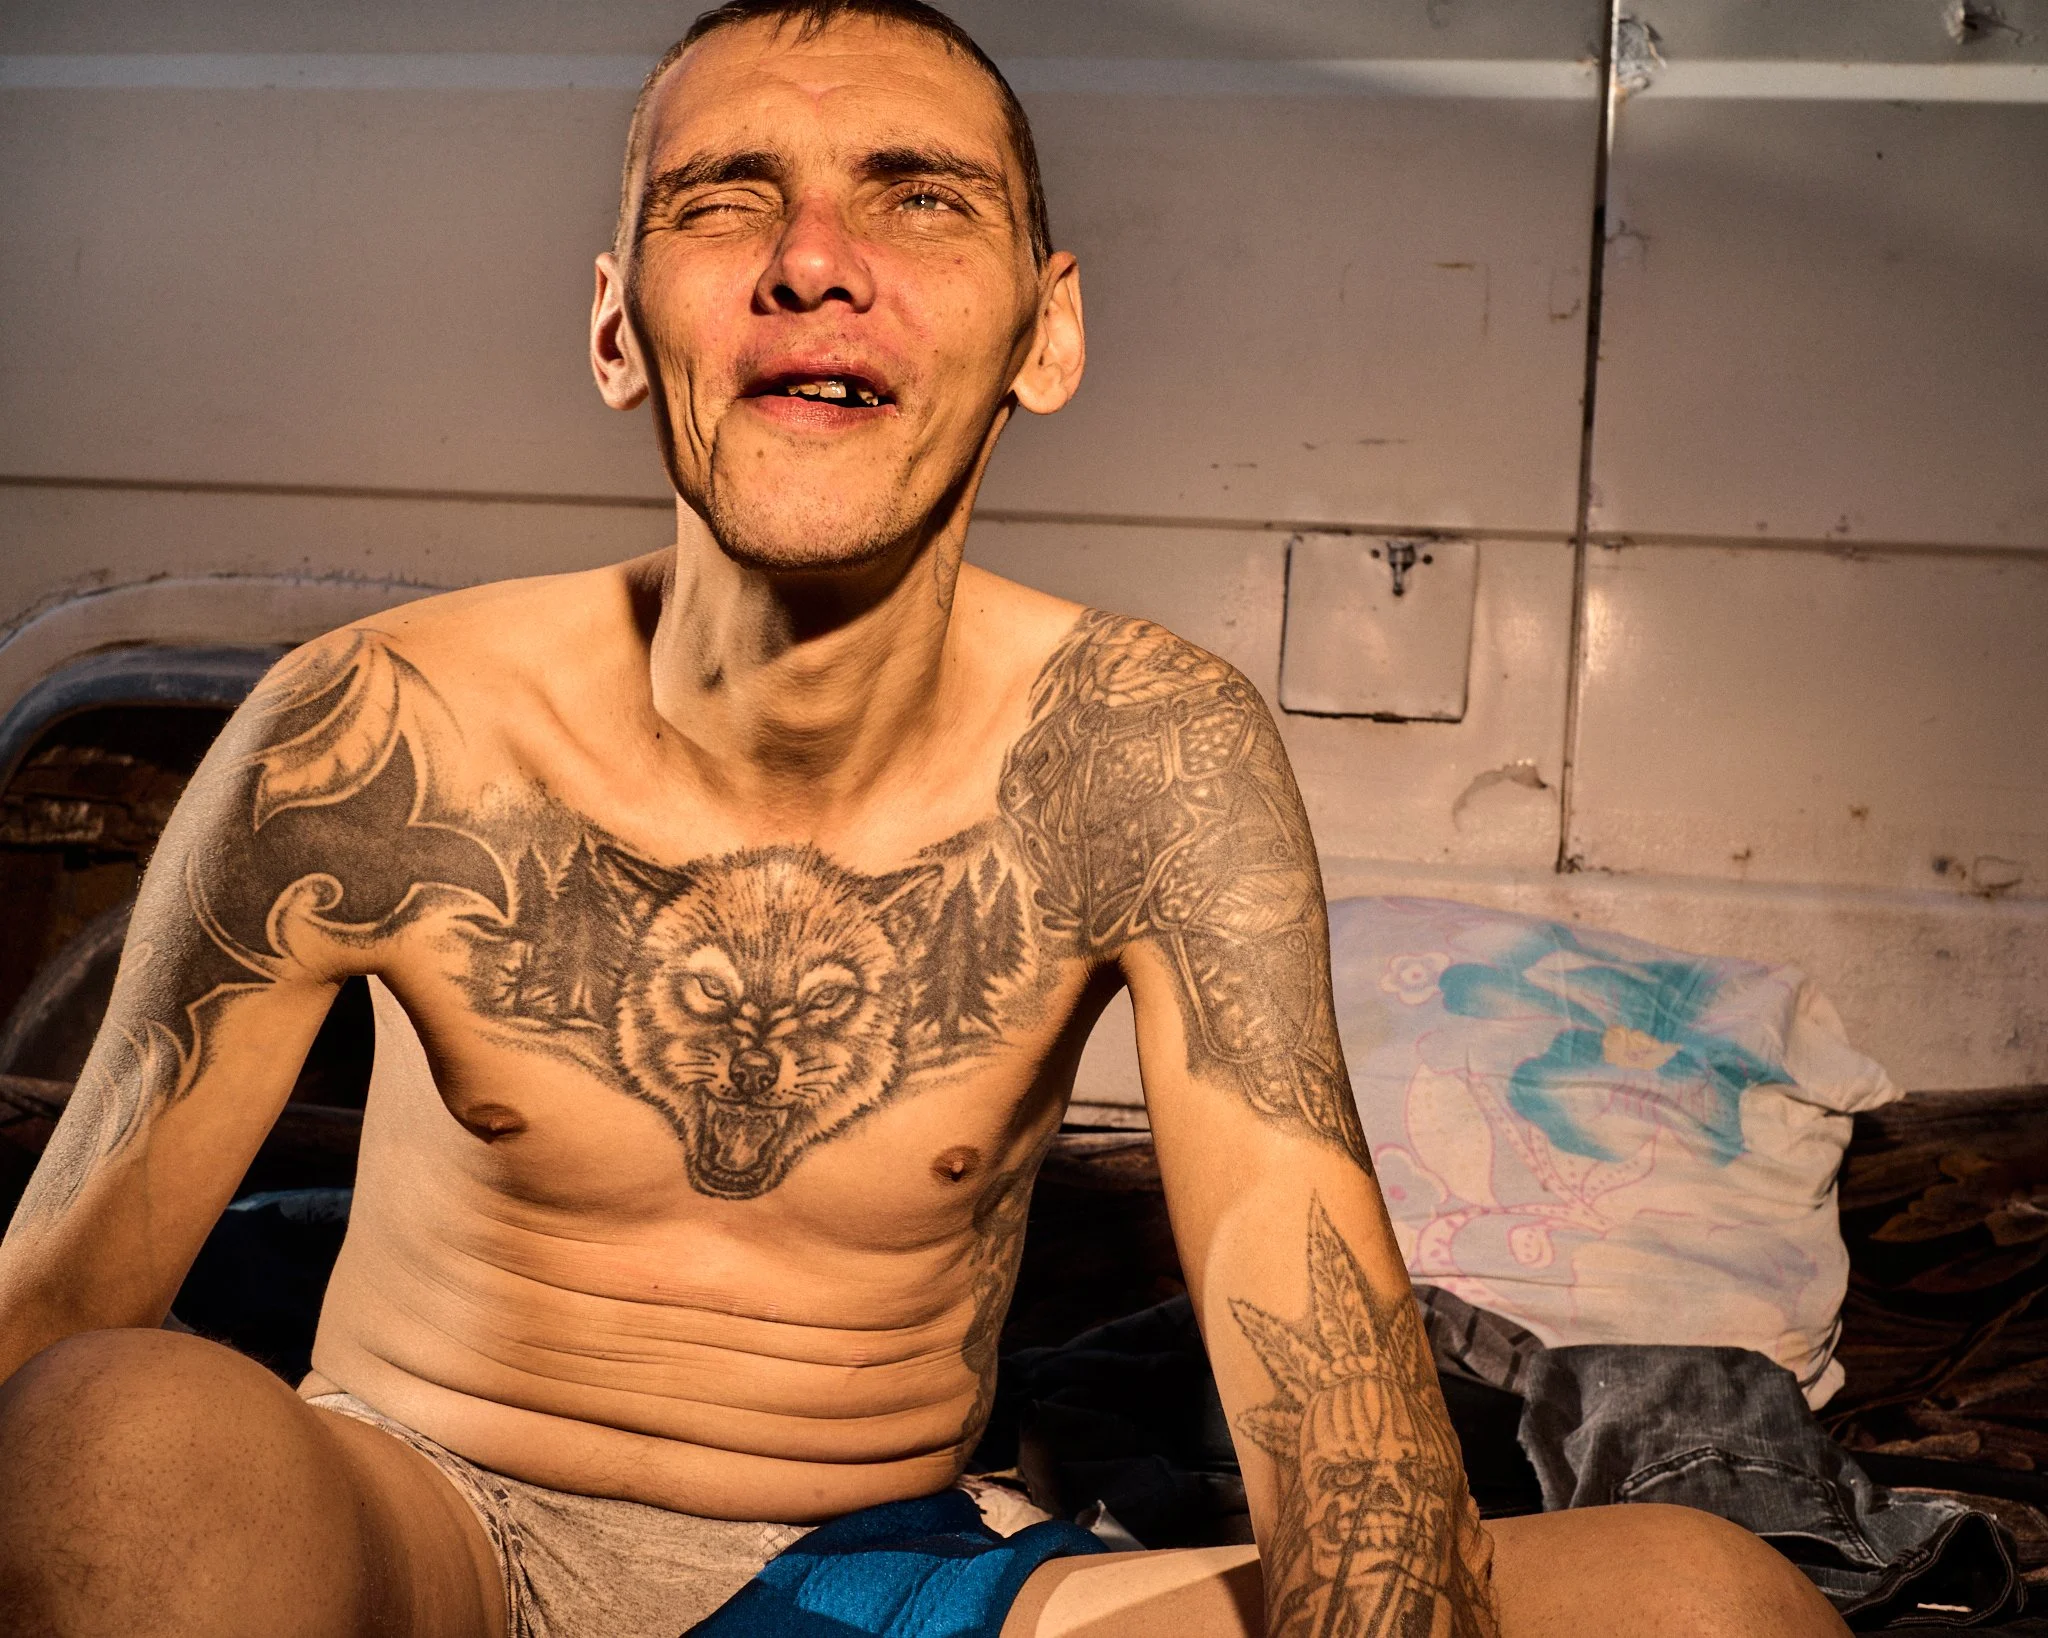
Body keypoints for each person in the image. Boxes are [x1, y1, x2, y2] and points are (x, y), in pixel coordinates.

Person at [0, 4, 1849, 1635]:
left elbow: (1327, 1380)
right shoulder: (376, 728)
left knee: (1707, 1601)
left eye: (920, 199)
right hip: (431, 1526)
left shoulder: (1145, 752)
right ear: (617, 326)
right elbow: (54, 1312)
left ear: (1048, 330)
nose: (815, 261)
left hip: (875, 1569)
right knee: (122, 1440)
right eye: (725, 200)